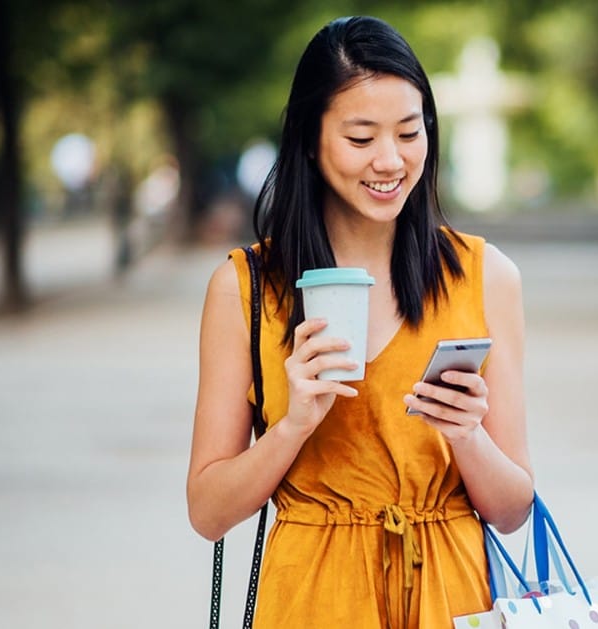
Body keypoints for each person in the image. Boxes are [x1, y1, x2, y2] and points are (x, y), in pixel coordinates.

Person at [186, 16, 534, 629]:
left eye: (409, 131)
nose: (391, 160)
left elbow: (512, 509)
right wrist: (293, 425)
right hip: (311, 601)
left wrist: (466, 435)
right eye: (361, 137)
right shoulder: (244, 288)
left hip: (453, 601)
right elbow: (208, 512)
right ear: (310, 140)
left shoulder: (486, 276)